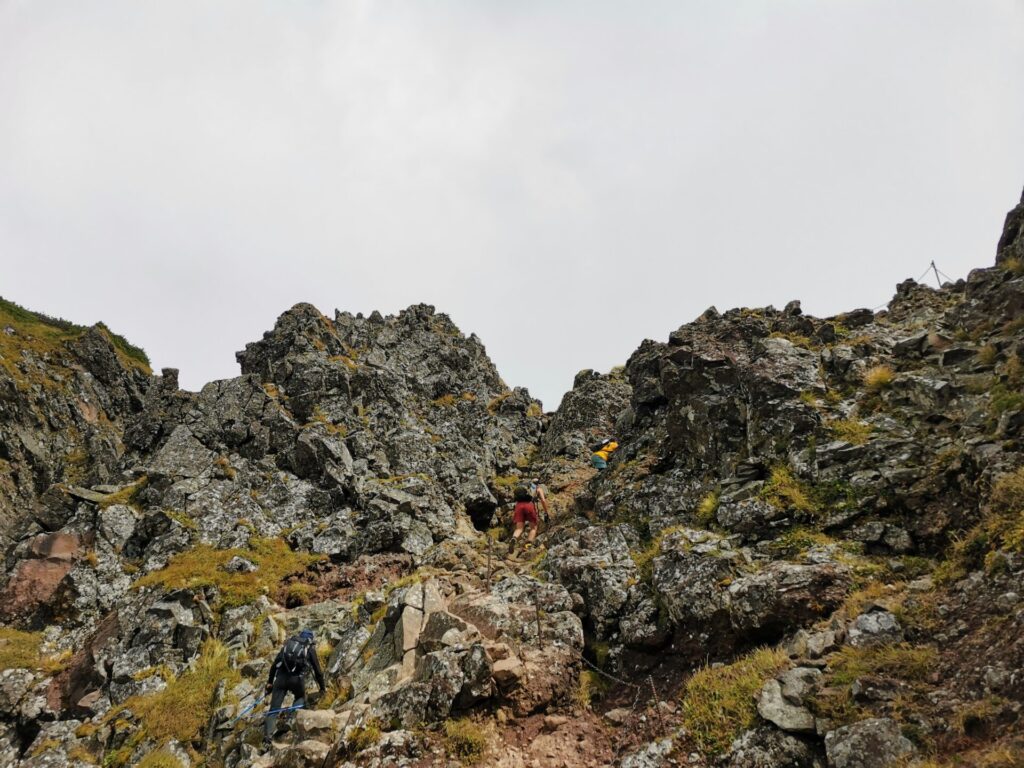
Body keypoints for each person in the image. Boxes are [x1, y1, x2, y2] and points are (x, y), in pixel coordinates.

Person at [264, 629, 325, 744]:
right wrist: (322, 688)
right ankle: (291, 719)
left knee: (273, 710)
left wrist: (270, 682)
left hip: (280, 679)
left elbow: (274, 665)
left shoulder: (289, 644)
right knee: (300, 698)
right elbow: (318, 671)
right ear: (310, 639)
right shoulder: (309, 648)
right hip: (297, 680)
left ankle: (268, 737)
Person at [510, 483, 541, 552]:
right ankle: (527, 546)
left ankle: (514, 538)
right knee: (533, 528)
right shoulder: (533, 488)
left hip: (519, 506)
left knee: (519, 528)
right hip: (529, 505)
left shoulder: (518, 491)